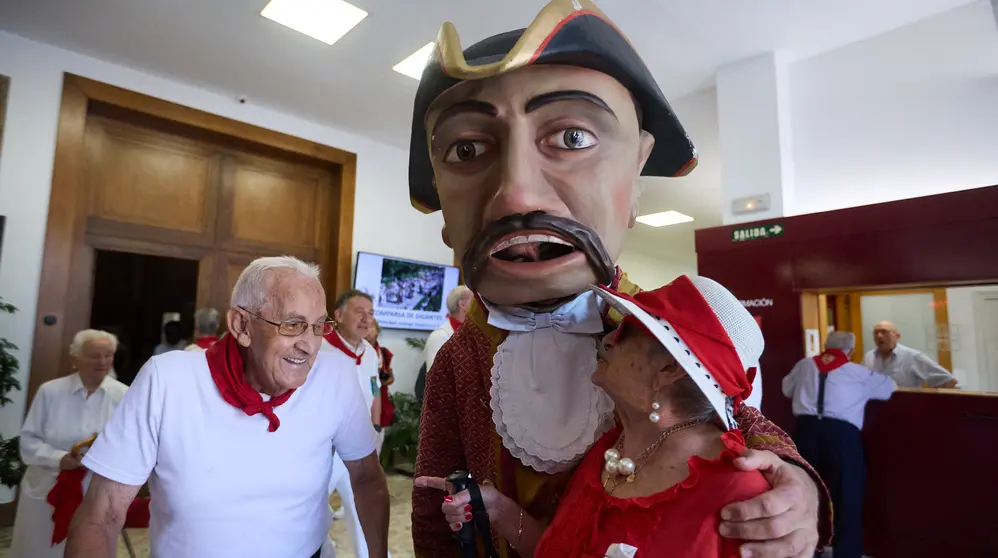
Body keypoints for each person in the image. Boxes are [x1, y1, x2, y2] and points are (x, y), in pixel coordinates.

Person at [408, 1, 830, 556]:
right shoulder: (458, 361)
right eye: (466, 150)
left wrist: (795, 483)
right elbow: (432, 503)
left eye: (572, 138)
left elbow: (736, 420)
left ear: (636, 180)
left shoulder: (658, 331)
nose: (516, 196)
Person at [422, 276, 772, 556]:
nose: (609, 340)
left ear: (669, 369)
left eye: (629, 330)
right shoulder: (608, 450)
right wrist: (498, 508)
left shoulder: (740, 494)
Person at [66, 256, 390, 558]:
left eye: (318, 326)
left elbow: (366, 478)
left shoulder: (335, 375)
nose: (309, 345)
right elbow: (102, 513)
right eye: (292, 325)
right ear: (241, 326)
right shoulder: (168, 380)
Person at [10, 329, 127, 558]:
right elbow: (29, 441)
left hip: (95, 490)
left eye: (108, 355)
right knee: (40, 549)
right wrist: (59, 459)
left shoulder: (123, 395)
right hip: (47, 488)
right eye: (94, 356)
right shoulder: (50, 392)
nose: (102, 362)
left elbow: (127, 446)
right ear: (75, 358)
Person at [783, 331, 896, 558]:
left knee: (806, 494)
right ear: (851, 351)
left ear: (826, 346)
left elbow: (786, 388)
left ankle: (807, 551)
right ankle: (846, 553)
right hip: (841, 437)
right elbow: (889, 388)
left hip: (805, 432)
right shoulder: (858, 372)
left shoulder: (804, 365)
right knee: (847, 497)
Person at [862, 320, 957, 388]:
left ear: (897, 336)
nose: (879, 336)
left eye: (884, 332)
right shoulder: (869, 357)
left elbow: (948, 380)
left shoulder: (912, 357)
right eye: (876, 333)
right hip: (874, 408)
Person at [425, 285, 473, 371]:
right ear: (462, 304)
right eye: (474, 301)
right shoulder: (440, 336)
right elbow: (436, 375)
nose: (479, 306)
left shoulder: (473, 333)